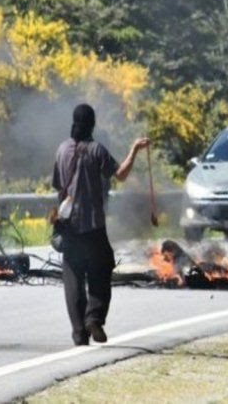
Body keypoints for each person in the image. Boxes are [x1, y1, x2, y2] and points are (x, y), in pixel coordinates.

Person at [53, 103, 150, 346]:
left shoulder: (62, 150)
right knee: (102, 267)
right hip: (94, 225)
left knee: (73, 277)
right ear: (92, 124)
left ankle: (79, 333)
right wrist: (135, 149)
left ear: (73, 122)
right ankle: (94, 317)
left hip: (69, 226)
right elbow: (121, 175)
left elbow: (57, 185)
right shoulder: (97, 151)